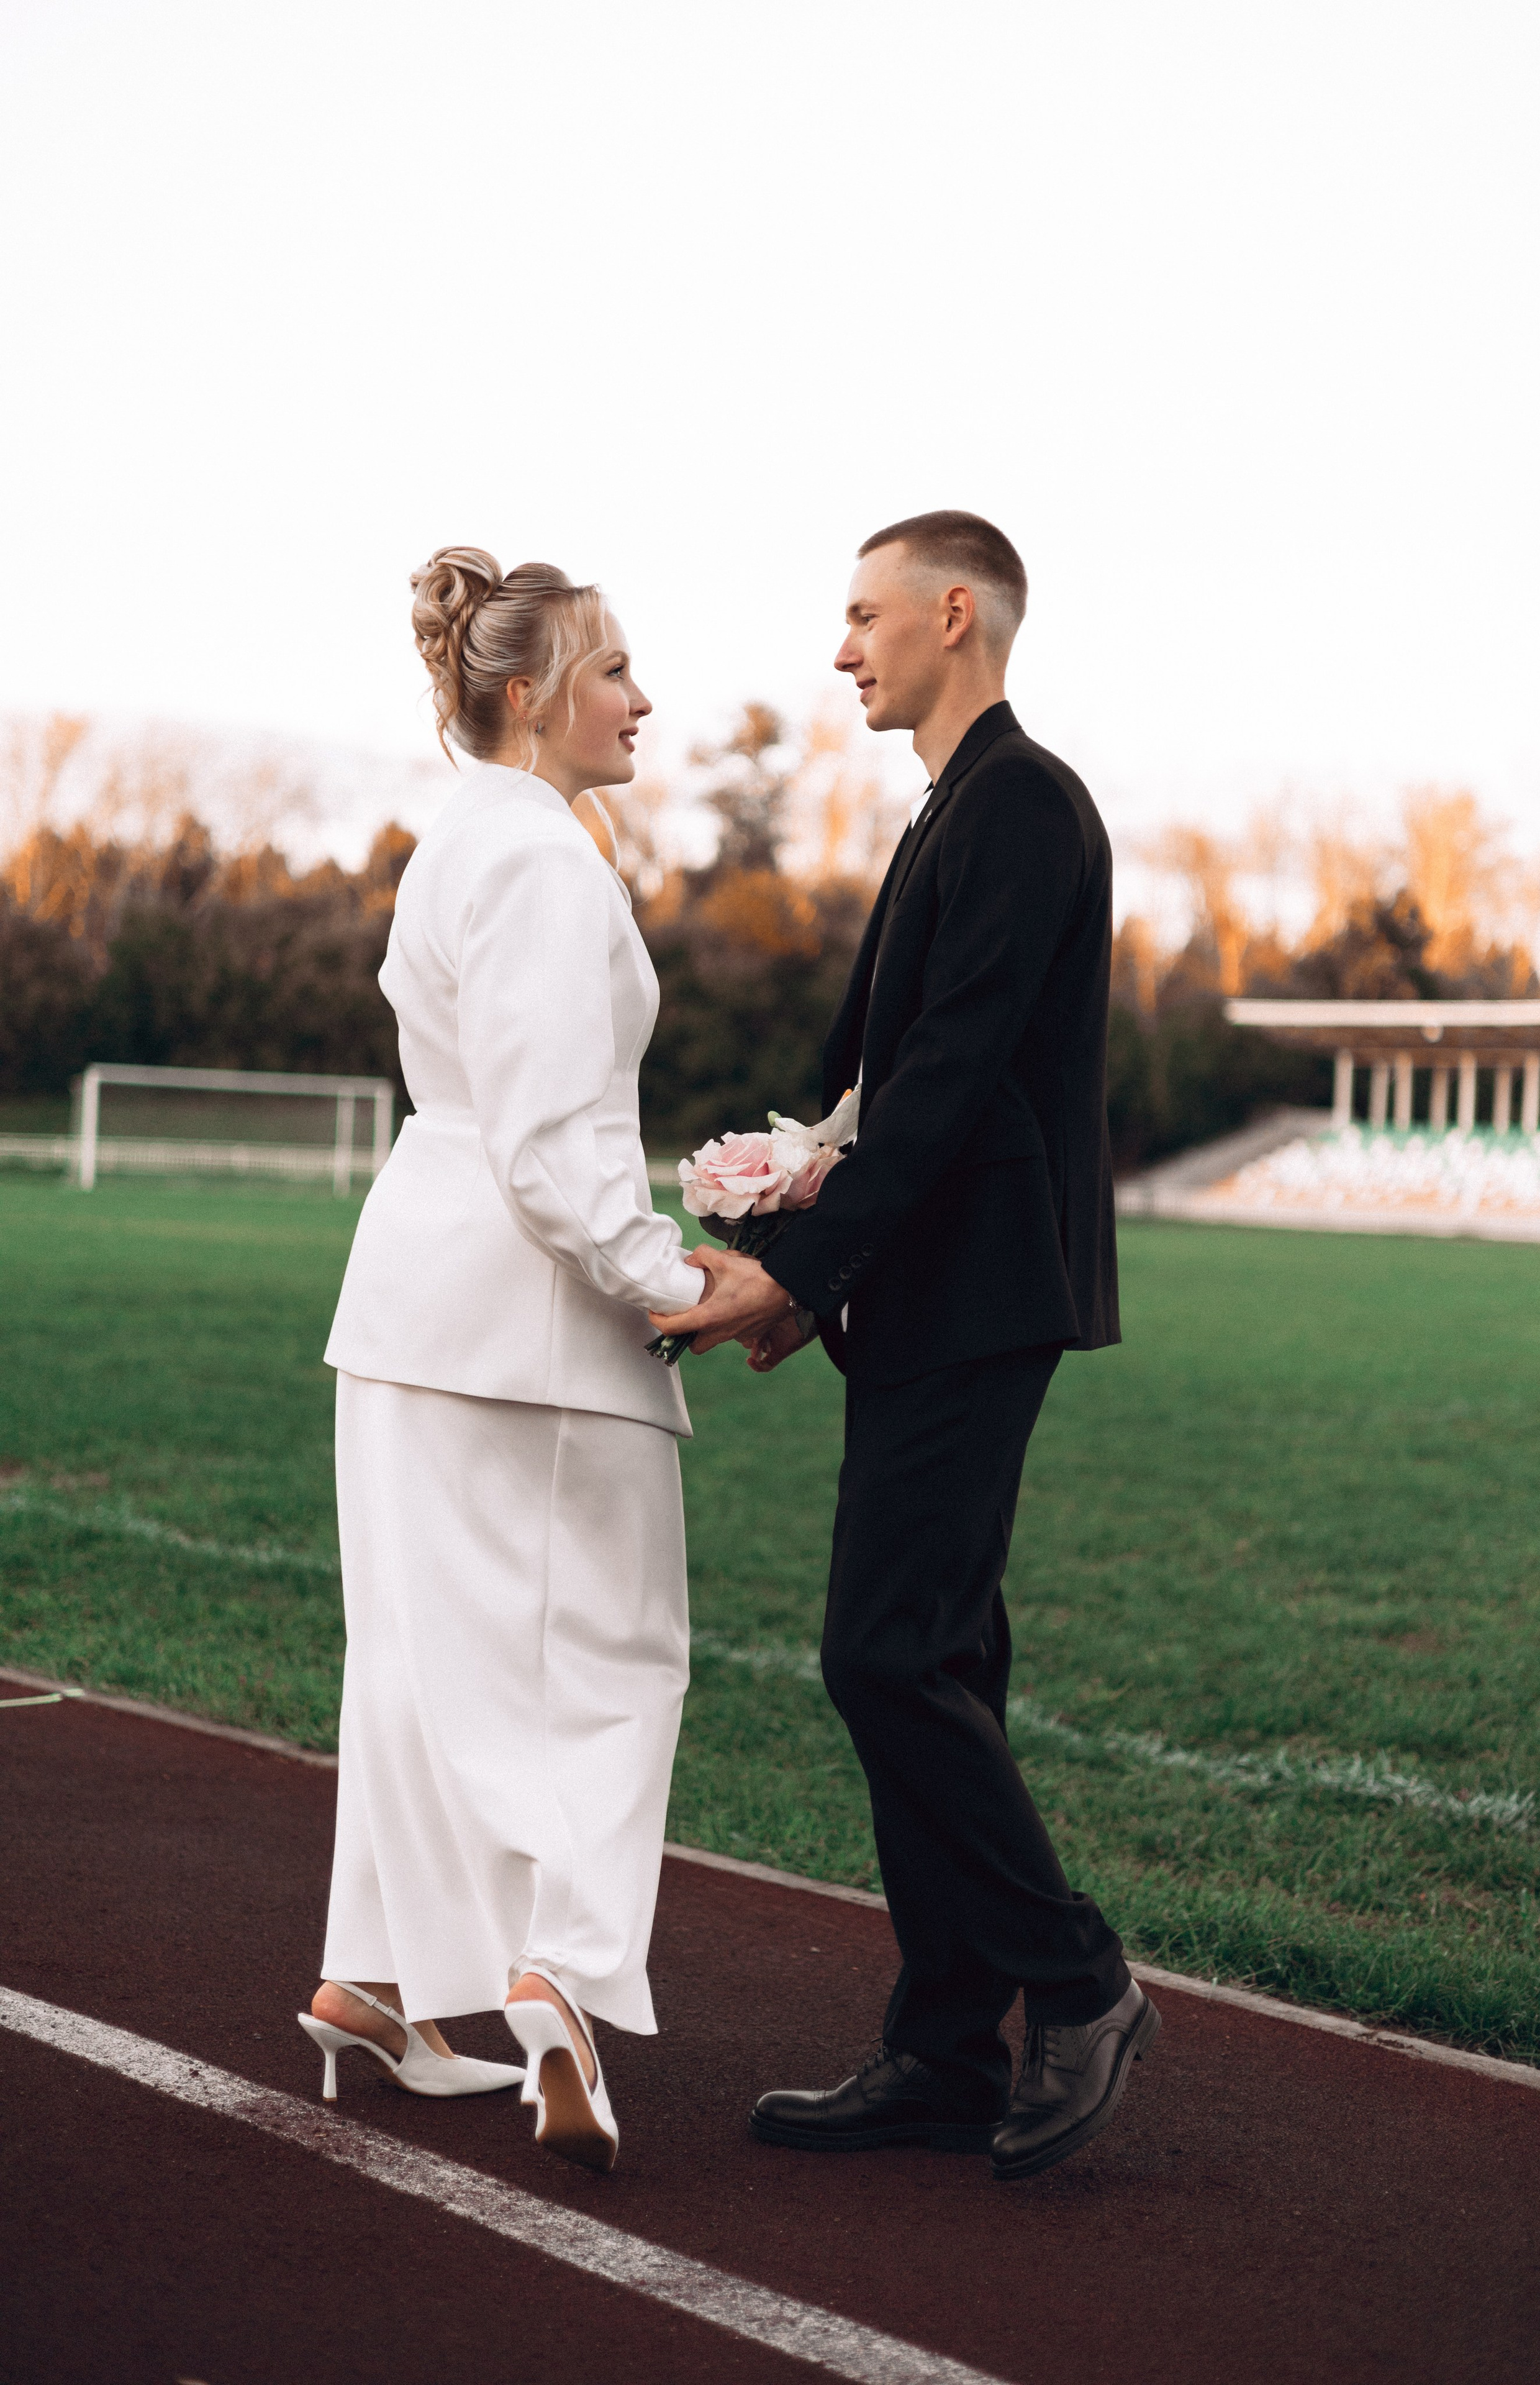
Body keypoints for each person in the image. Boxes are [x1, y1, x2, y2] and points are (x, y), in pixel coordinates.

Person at [650, 511, 1158, 2183]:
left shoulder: (1021, 801)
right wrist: (801, 1263)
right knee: (942, 1656)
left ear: (958, 614)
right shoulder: (958, 807)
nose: (844, 645)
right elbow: (875, 1077)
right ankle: (946, 2048)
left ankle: (1080, 1985)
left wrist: (789, 1268)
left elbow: (940, 1085)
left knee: (885, 1655)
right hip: (932, 1295)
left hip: (982, 1293)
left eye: (865, 615)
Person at [300, 547, 711, 2175]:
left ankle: (373, 1981)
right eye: (616, 672)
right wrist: (672, 1278)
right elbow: (553, 1142)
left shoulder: (456, 834)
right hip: (523, 1310)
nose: (643, 700)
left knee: (411, 1657)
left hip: (408, 1299)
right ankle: (564, 1971)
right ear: (537, 695)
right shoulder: (543, 861)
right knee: (620, 1660)